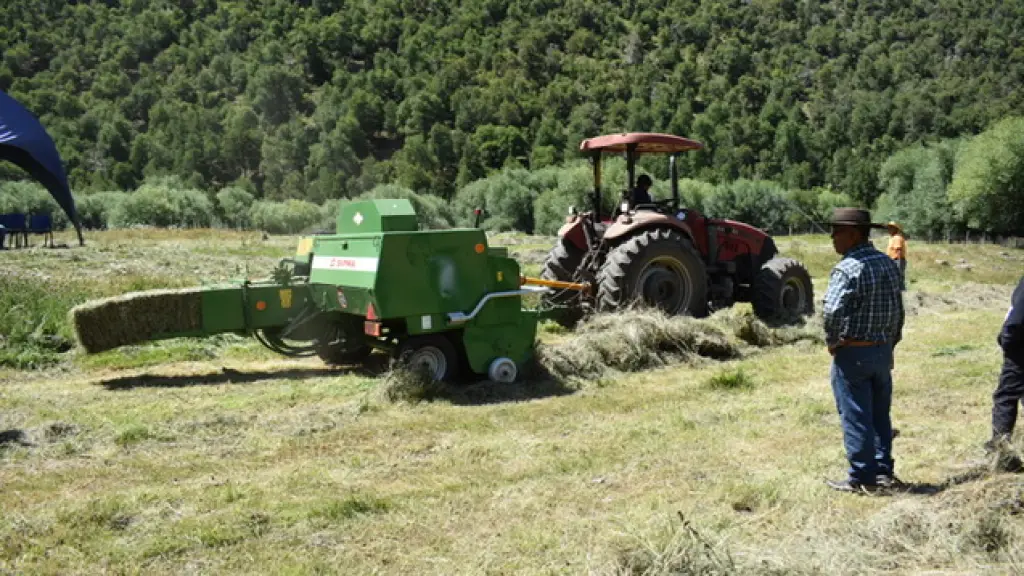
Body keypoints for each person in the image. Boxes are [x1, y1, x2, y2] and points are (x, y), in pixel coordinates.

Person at [821, 208, 905, 493]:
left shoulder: (848, 268)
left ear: (854, 234)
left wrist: (833, 341)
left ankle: (862, 478)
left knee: (855, 415)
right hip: (882, 351)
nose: (832, 237)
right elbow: (898, 309)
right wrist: (891, 342)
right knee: (880, 414)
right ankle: (883, 471)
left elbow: (831, 310)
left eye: (837, 231)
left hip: (854, 352)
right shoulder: (888, 264)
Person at [986, 275, 1024, 451]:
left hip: (1019, 348)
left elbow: (1016, 319)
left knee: (1006, 395)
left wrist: (1006, 340)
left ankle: (1001, 451)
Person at [886, 221, 908, 290]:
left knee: (898, 278)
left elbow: (898, 250)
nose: (889, 229)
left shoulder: (897, 238)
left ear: (895, 229)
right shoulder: (892, 238)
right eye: (889, 228)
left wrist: (899, 262)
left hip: (897, 260)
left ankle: (902, 294)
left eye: (891, 228)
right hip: (893, 260)